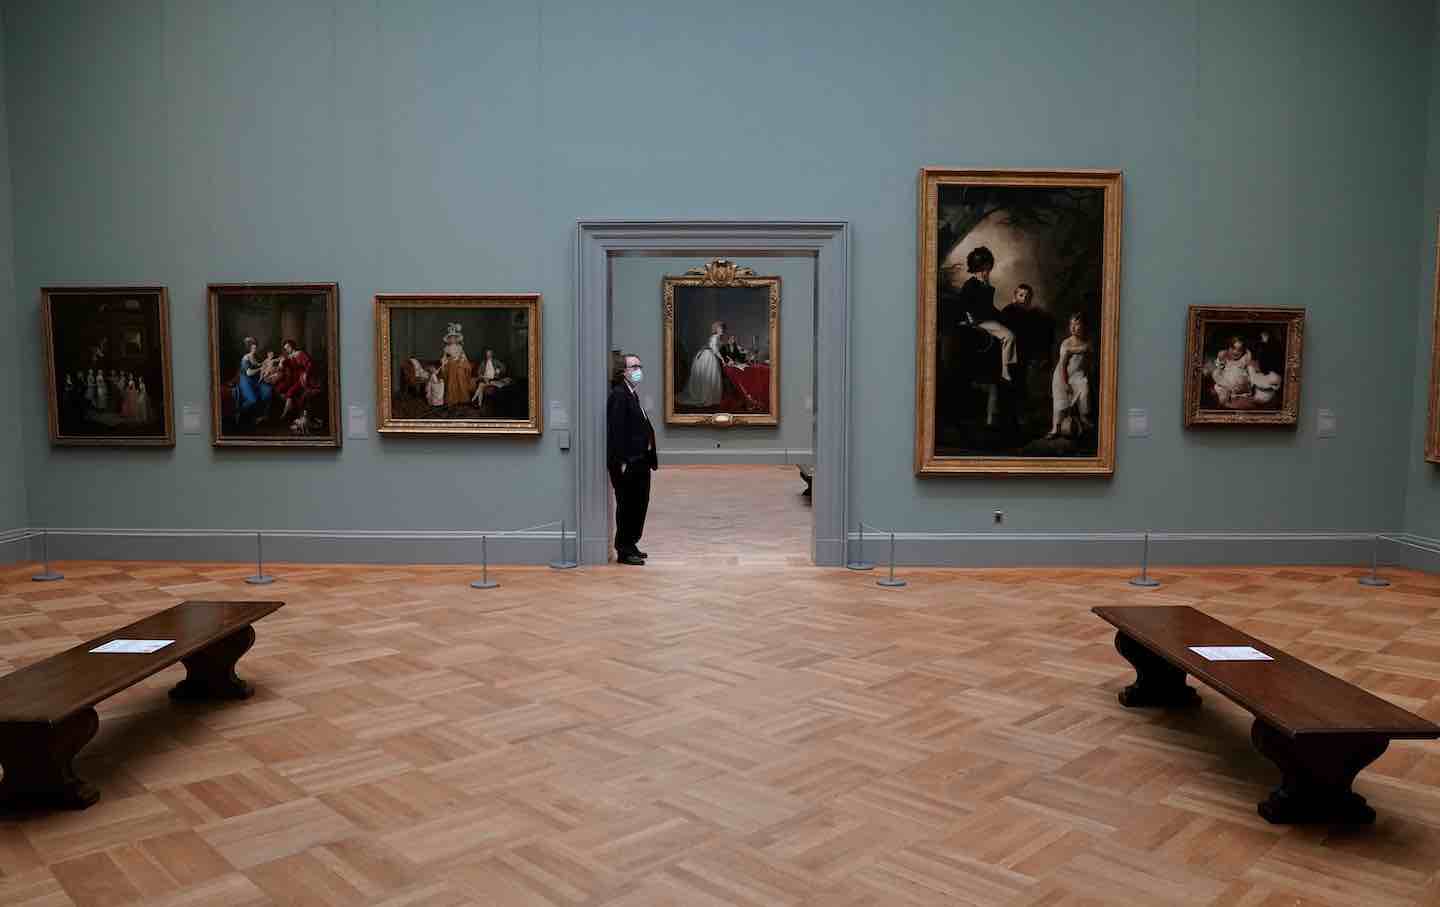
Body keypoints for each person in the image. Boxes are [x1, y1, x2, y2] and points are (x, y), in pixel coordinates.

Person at [607, 352, 657, 566]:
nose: (638, 370)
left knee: (640, 504)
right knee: (627, 506)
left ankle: (632, 543)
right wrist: (623, 461)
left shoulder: (631, 393)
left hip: (640, 460)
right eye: (633, 367)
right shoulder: (619, 394)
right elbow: (616, 431)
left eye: (639, 365)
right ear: (623, 372)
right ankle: (624, 550)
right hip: (629, 462)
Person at [953, 246, 1018, 382]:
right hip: (978, 321)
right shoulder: (970, 285)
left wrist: (1002, 316)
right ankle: (1006, 370)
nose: (986, 273)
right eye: (983, 270)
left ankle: (1008, 366)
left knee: (1010, 328)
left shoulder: (986, 286)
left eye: (988, 270)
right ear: (975, 269)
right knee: (1009, 336)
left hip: (986, 320)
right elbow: (964, 305)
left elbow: (989, 308)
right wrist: (970, 321)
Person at [1047, 313, 1093, 438]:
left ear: (1083, 326)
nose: (1073, 327)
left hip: (1079, 376)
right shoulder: (1066, 343)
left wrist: (1087, 373)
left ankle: (1085, 421)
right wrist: (1065, 382)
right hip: (1063, 376)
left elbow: (1088, 361)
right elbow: (1062, 365)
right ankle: (1055, 429)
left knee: (1085, 394)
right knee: (1060, 405)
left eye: (1077, 324)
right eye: (1071, 324)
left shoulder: (1088, 342)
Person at [677, 321, 727, 407]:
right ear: (716, 329)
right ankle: (706, 397)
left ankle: (710, 397)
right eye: (720, 328)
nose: (722, 330)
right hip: (708, 356)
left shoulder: (718, 337)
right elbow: (714, 349)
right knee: (709, 376)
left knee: (711, 376)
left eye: (722, 328)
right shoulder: (715, 337)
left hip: (709, 355)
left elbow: (717, 347)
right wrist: (722, 359)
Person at [276, 339, 318, 423]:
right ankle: (288, 414)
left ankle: (284, 415)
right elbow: (282, 367)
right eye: (285, 348)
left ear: (292, 346)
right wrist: (281, 363)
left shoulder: (300, 353)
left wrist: (306, 373)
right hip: (293, 379)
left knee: (290, 392)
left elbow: (309, 364)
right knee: (281, 389)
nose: (287, 349)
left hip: (302, 378)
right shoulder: (289, 356)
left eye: (288, 347)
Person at [235, 337, 272, 424]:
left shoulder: (253, 356)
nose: (255, 349)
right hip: (246, 381)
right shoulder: (245, 359)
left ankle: (262, 416)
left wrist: (265, 363)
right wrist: (260, 368)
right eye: (253, 348)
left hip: (255, 380)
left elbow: (257, 364)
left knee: (268, 391)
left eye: (255, 347)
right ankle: (238, 411)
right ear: (249, 348)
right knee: (253, 400)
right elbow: (249, 373)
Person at [1211, 336, 1252, 406]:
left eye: (1240, 350)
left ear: (1243, 351)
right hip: (1226, 384)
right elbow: (1219, 368)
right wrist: (1221, 359)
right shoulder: (1226, 358)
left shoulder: (1243, 360)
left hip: (1239, 386)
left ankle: (1231, 399)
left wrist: (1247, 352)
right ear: (1228, 348)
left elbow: (1248, 355)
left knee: (1241, 378)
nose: (1236, 352)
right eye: (1233, 348)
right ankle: (1224, 401)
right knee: (1216, 374)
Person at [439, 323, 472, 407]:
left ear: (457, 338)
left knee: (460, 374)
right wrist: (443, 362)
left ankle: (462, 398)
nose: (453, 339)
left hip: (459, 363)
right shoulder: (446, 348)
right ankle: (452, 399)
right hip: (450, 364)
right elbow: (444, 357)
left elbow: (464, 356)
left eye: (454, 337)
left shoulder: (460, 347)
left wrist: (461, 359)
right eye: (451, 337)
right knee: (451, 377)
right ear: (449, 339)